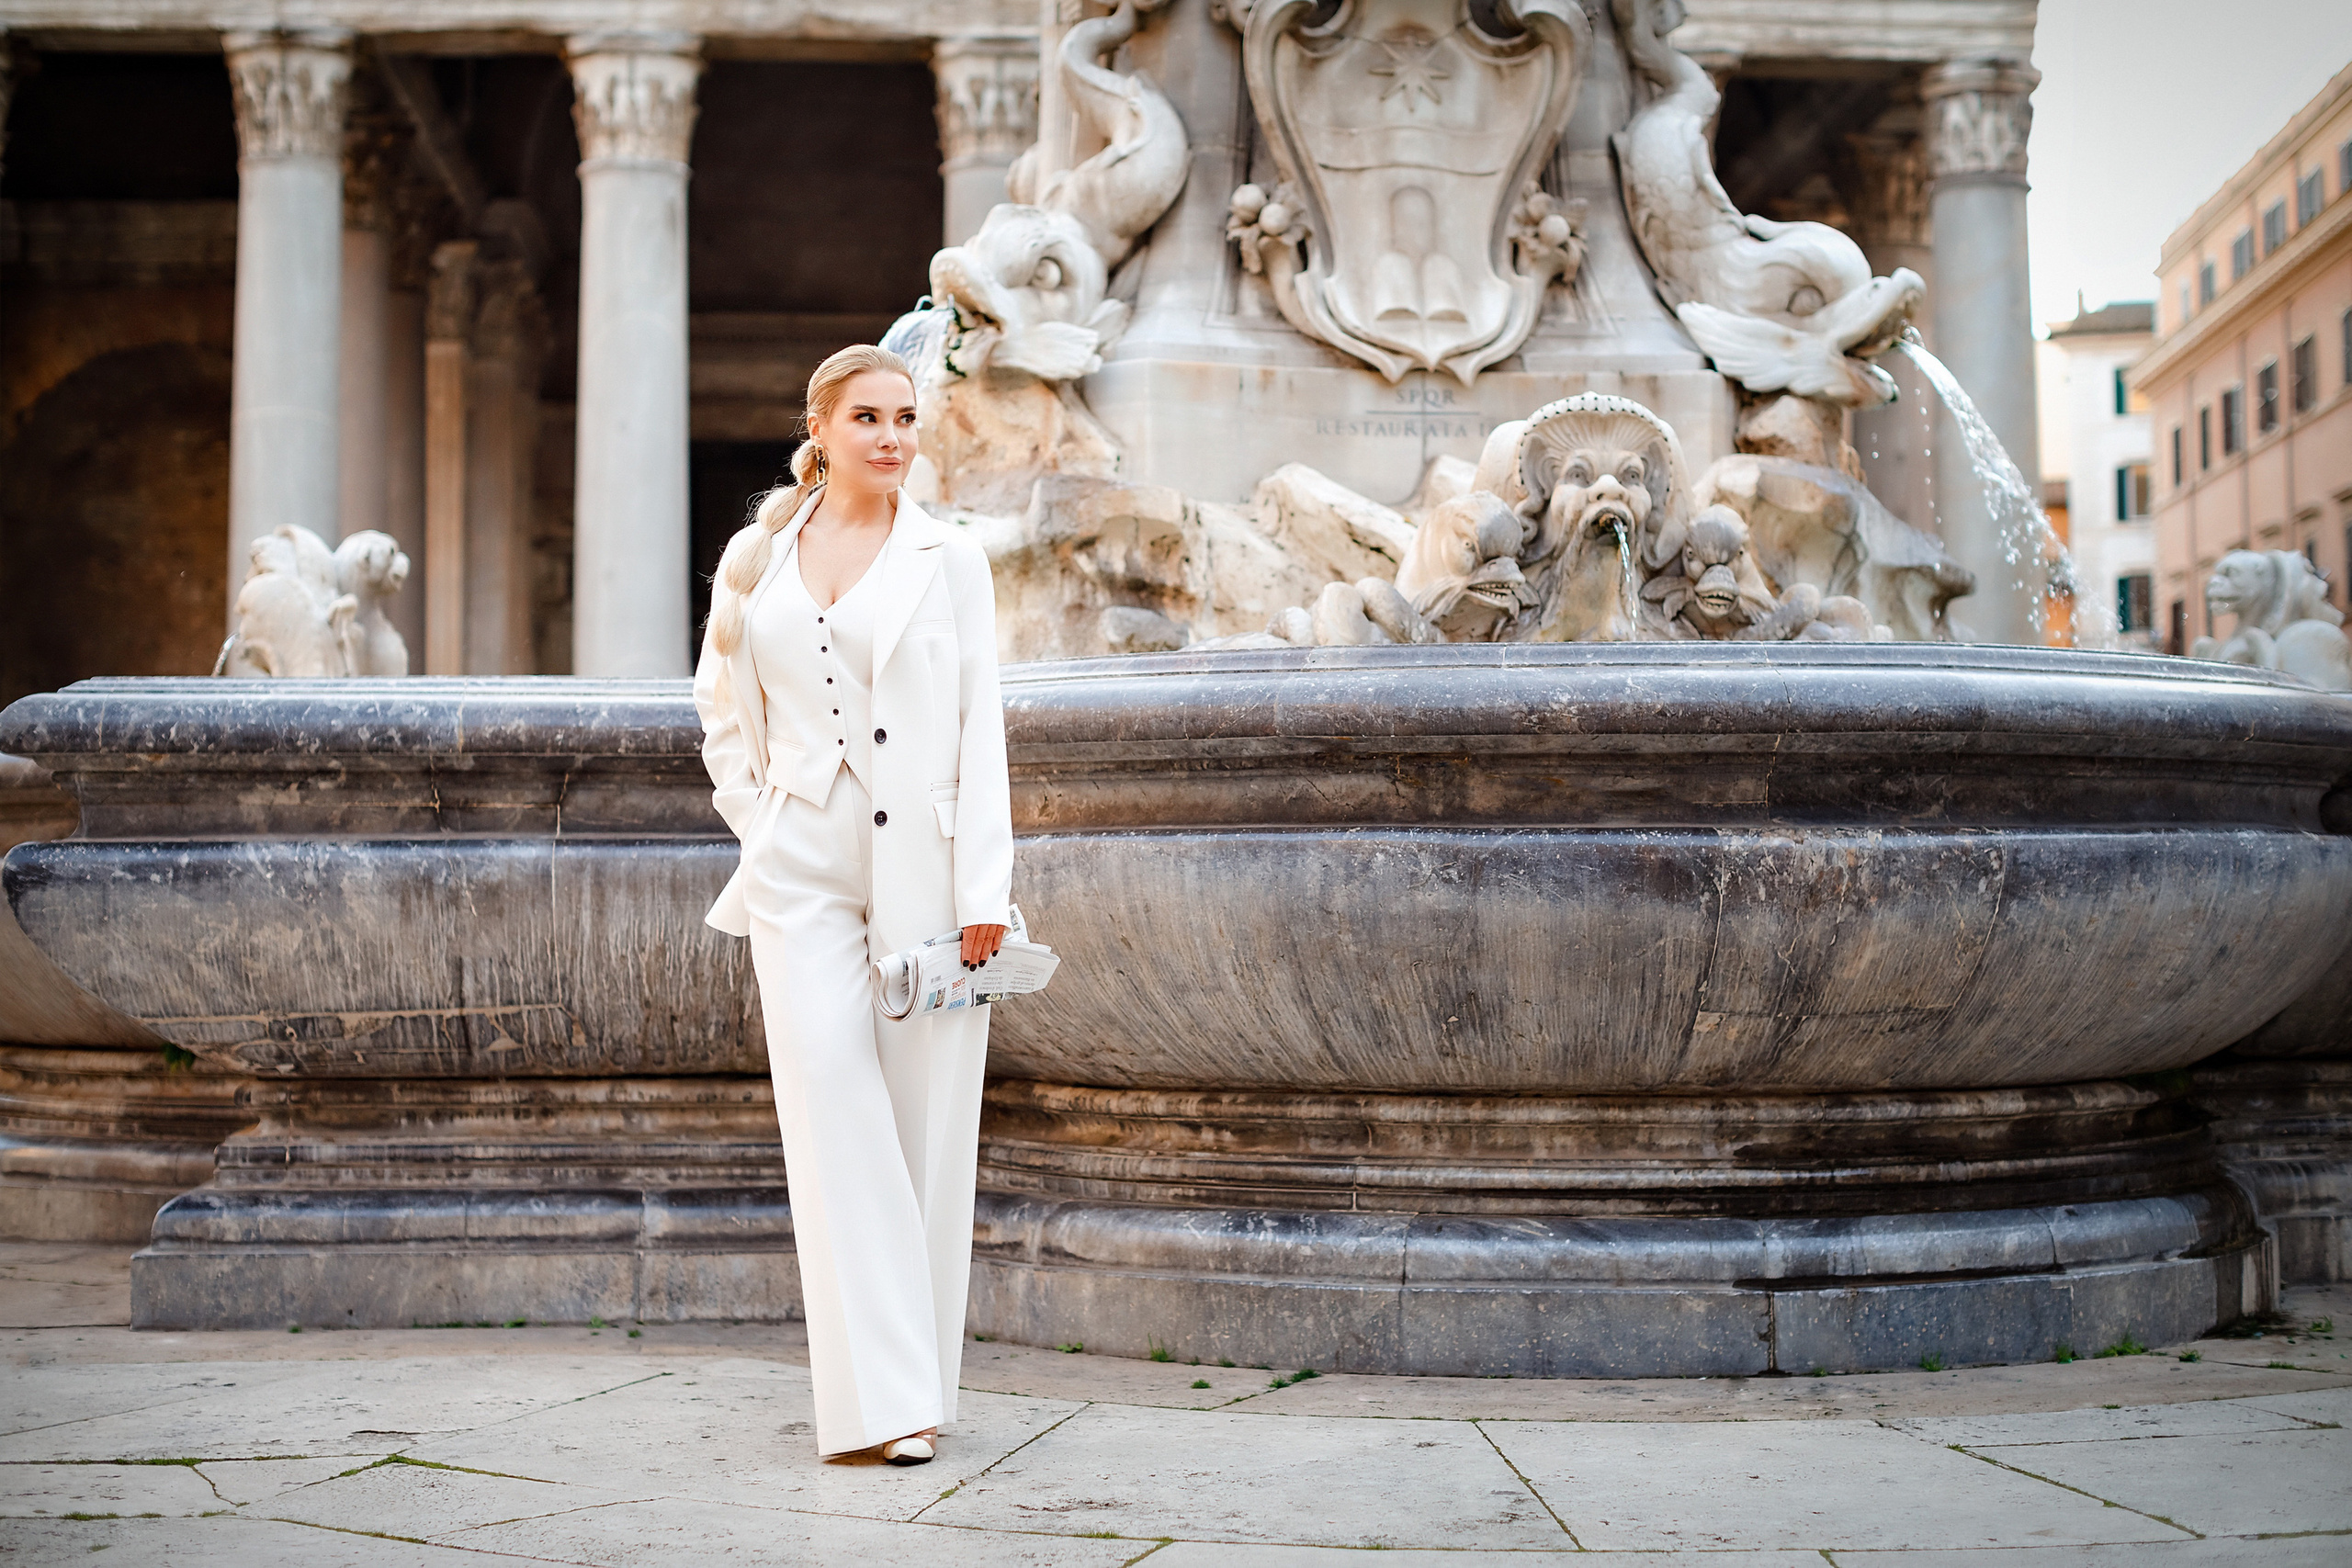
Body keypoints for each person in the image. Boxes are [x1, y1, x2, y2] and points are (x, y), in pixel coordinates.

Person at [694, 343, 1012, 1466]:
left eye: (906, 418)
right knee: (833, 1113)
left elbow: (983, 730)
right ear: (819, 426)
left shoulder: (951, 559)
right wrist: (758, 818)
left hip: (923, 872)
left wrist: (986, 891)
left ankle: (908, 1395)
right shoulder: (757, 555)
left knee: (923, 1128)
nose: (891, 437)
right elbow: (720, 704)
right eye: (868, 417)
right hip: (796, 866)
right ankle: (887, 1404)